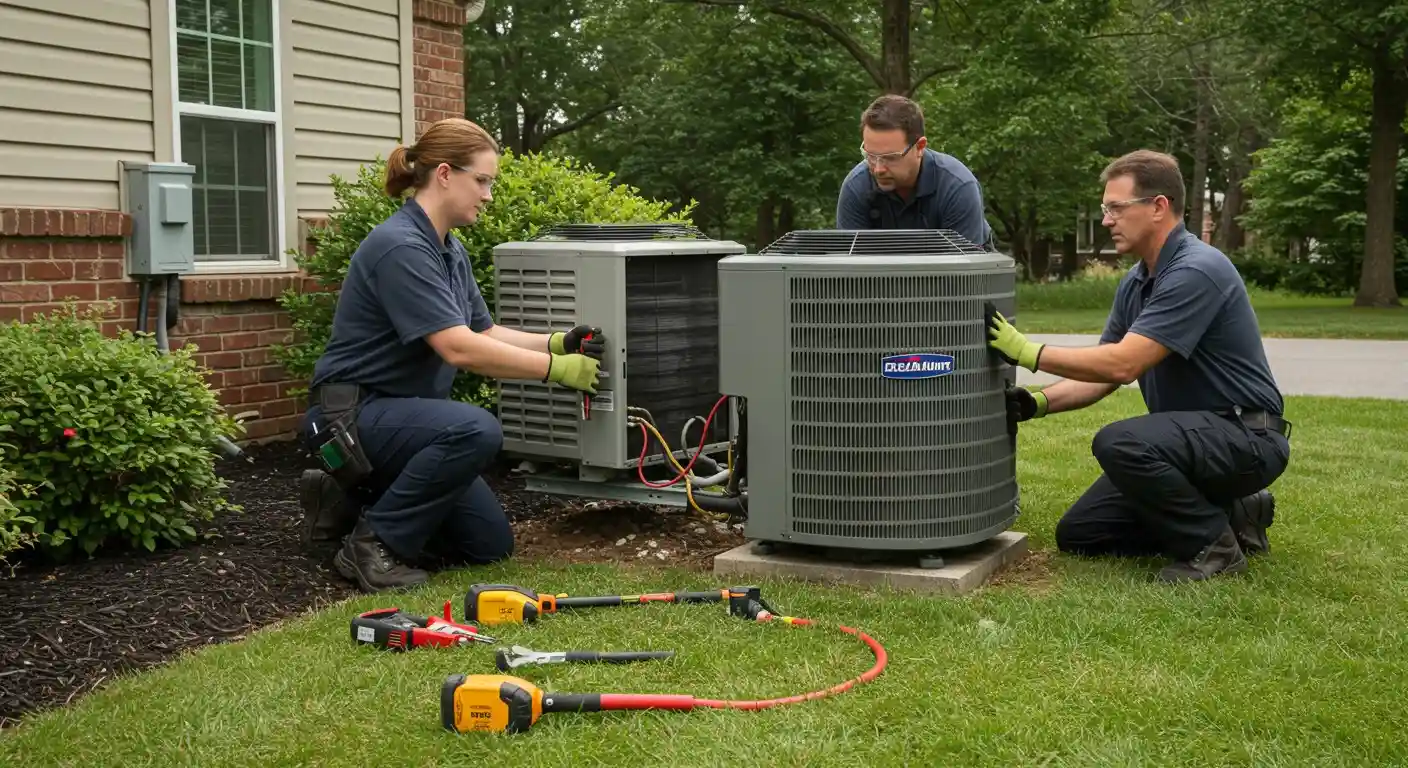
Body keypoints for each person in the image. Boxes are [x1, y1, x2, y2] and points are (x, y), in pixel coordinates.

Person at [297, 117, 606, 594]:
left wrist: (555, 342)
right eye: (481, 180)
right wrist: (555, 370)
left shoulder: (447, 248)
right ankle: (371, 544)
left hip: (398, 420)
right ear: (445, 174)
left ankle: (346, 497)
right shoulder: (401, 247)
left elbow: (482, 330)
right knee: (477, 429)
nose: (487, 194)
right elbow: (457, 347)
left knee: (488, 545)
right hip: (351, 415)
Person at [987, 149, 1291, 583]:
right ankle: (1236, 510)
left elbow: (1123, 363)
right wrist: (1036, 403)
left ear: (1158, 208)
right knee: (1082, 533)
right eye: (1104, 209)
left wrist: (1028, 352)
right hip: (1196, 443)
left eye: (1116, 208)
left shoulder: (1196, 270)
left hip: (1247, 435)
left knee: (1122, 441)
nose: (1107, 219)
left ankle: (1214, 547)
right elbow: (1102, 376)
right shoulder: (1138, 281)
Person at [835, 94, 995, 250]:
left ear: (920, 147)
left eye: (890, 158)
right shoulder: (855, 187)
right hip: (881, 276)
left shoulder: (957, 187)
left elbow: (966, 272)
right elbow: (852, 271)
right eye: (870, 156)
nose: (878, 169)